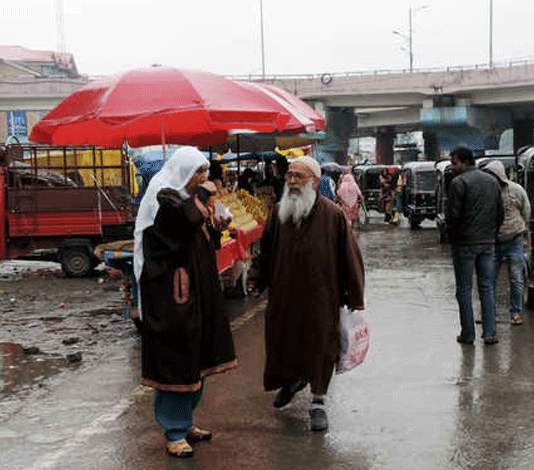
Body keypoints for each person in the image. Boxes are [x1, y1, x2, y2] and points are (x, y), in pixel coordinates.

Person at [247, 156, 365, 432]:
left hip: (321, 297)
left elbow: (350, 258)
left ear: (314, 181)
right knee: (284, 342)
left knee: (321, 347)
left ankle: (318, 402)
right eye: (289, 176)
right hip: (285, 294)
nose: (291, 182)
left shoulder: (333, 215)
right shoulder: (278, 212)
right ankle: (291, 382)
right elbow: (265, 253)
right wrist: (255, 279)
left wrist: (355, 296)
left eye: (299, 177)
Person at [133, 146, 237, 458]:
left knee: (197, 356)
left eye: (205, 171)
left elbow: (194, 236)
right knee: (175, 360)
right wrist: (203, 199)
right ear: (183, 172)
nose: (204, 178)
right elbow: (176, 226)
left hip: (197, 292)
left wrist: (215, 229)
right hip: (171, 296)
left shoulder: (186, 199)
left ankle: (186, 421)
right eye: (198, 172)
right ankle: (174, 430)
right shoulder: (164, 196)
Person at [447, 146, 503, 345]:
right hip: (488, 243)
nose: (452, 167)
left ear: (465, 162)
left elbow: (452, 217)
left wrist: (453, 239)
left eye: (454, 163)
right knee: (487, 288)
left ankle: (468, 334)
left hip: (464, 244)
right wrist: (492, 235)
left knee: (464, 290)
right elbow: (500, 213)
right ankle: (489, 333)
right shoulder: (492, 182)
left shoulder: (458, 183)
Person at [483, 160, 531, 326]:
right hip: (493, 241)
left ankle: (516, 313)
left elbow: (526, 210)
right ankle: (489, 313)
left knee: (516, 279)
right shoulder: (485, 192)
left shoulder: (516, 190)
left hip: (514, 239)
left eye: (491, 175)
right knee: (488, 280)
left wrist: (525, 229)